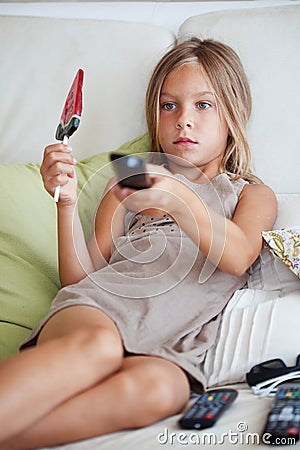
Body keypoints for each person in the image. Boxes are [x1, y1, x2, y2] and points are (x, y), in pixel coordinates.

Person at [0, 38, 277, 449]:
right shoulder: (130, 179)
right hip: (97, 312)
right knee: (97, 346)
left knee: (163, 391)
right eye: (170, 105)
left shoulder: (250, 195)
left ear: (233, 114)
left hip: (166, 347)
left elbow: (237, 256)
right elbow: (78, 277)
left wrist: (178, 200)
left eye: (204, 105)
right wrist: (67, 201)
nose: (184, 120)